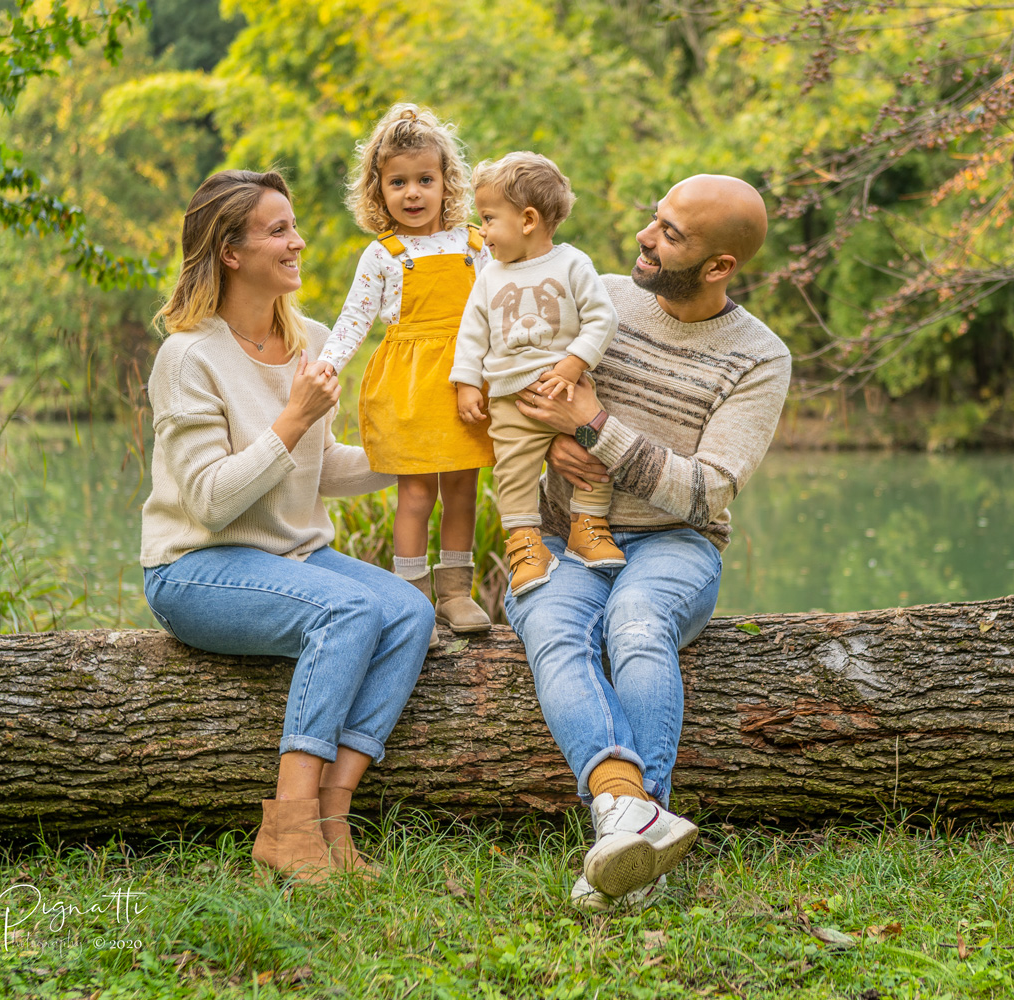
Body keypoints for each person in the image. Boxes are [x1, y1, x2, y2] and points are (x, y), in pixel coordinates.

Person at [140, 169, 436, 884]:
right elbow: (211, 501)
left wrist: (416, 456)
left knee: (409, 611)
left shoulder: (312, 338)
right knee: (349, 607)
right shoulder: (188, 358)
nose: (298, 242)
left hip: (293, 558)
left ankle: (332, 820)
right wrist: (294, 414)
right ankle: (289, 823)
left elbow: (318, 466)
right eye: (279, 230)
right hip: (196, 568)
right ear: (231, 251)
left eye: (293, 226)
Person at [504, 175, 791, 911]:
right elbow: (513, 389)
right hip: (567, 534)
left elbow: (707, 491)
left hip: (674, 546)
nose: (646, 237)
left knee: (635, 626)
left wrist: (597, 428)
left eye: (671, 234)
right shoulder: (596, 294)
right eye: (654, 220)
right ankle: (628, 818)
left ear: (721, 266)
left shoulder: (759, 358)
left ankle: (632, 850)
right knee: (553, 626)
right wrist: (550, 447)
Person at [315, 104, 494, 641]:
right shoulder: (383, 254)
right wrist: (327, 366)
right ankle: (413, 599)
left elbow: (499, 311)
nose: (412, 193)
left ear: (446, 183)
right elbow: (353, 319)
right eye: (398, 182)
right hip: (410, 387)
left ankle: (456, 593)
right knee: (417, 493)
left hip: (466, 383)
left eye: (424, 180)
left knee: (463, 489)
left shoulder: (474, 245)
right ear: (378, 190)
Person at [450, 151, 623, 597]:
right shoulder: (489, 277)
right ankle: (526, 543)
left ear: (528, 219)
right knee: (514, 471)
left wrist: (574, 362)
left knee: (592, 454)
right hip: (511, 399)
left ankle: (588, 525)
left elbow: (602, 319)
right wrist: (468, 383)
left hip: (568, 389)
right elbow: (473, 334)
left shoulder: (572, 265)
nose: (482, 232)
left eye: (488, 219)